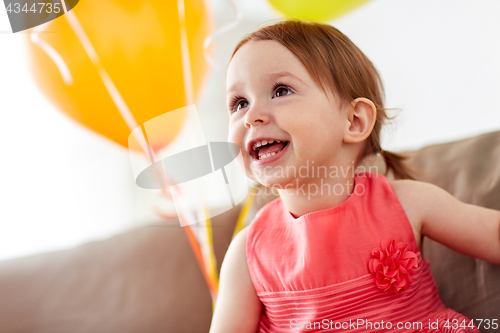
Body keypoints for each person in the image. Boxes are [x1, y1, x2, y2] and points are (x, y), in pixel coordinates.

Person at [209, 19, 500, 332]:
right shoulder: (247, 252)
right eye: (239, 103)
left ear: (355, 121)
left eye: (280, 91)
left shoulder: (408, 202)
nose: (251, 116)